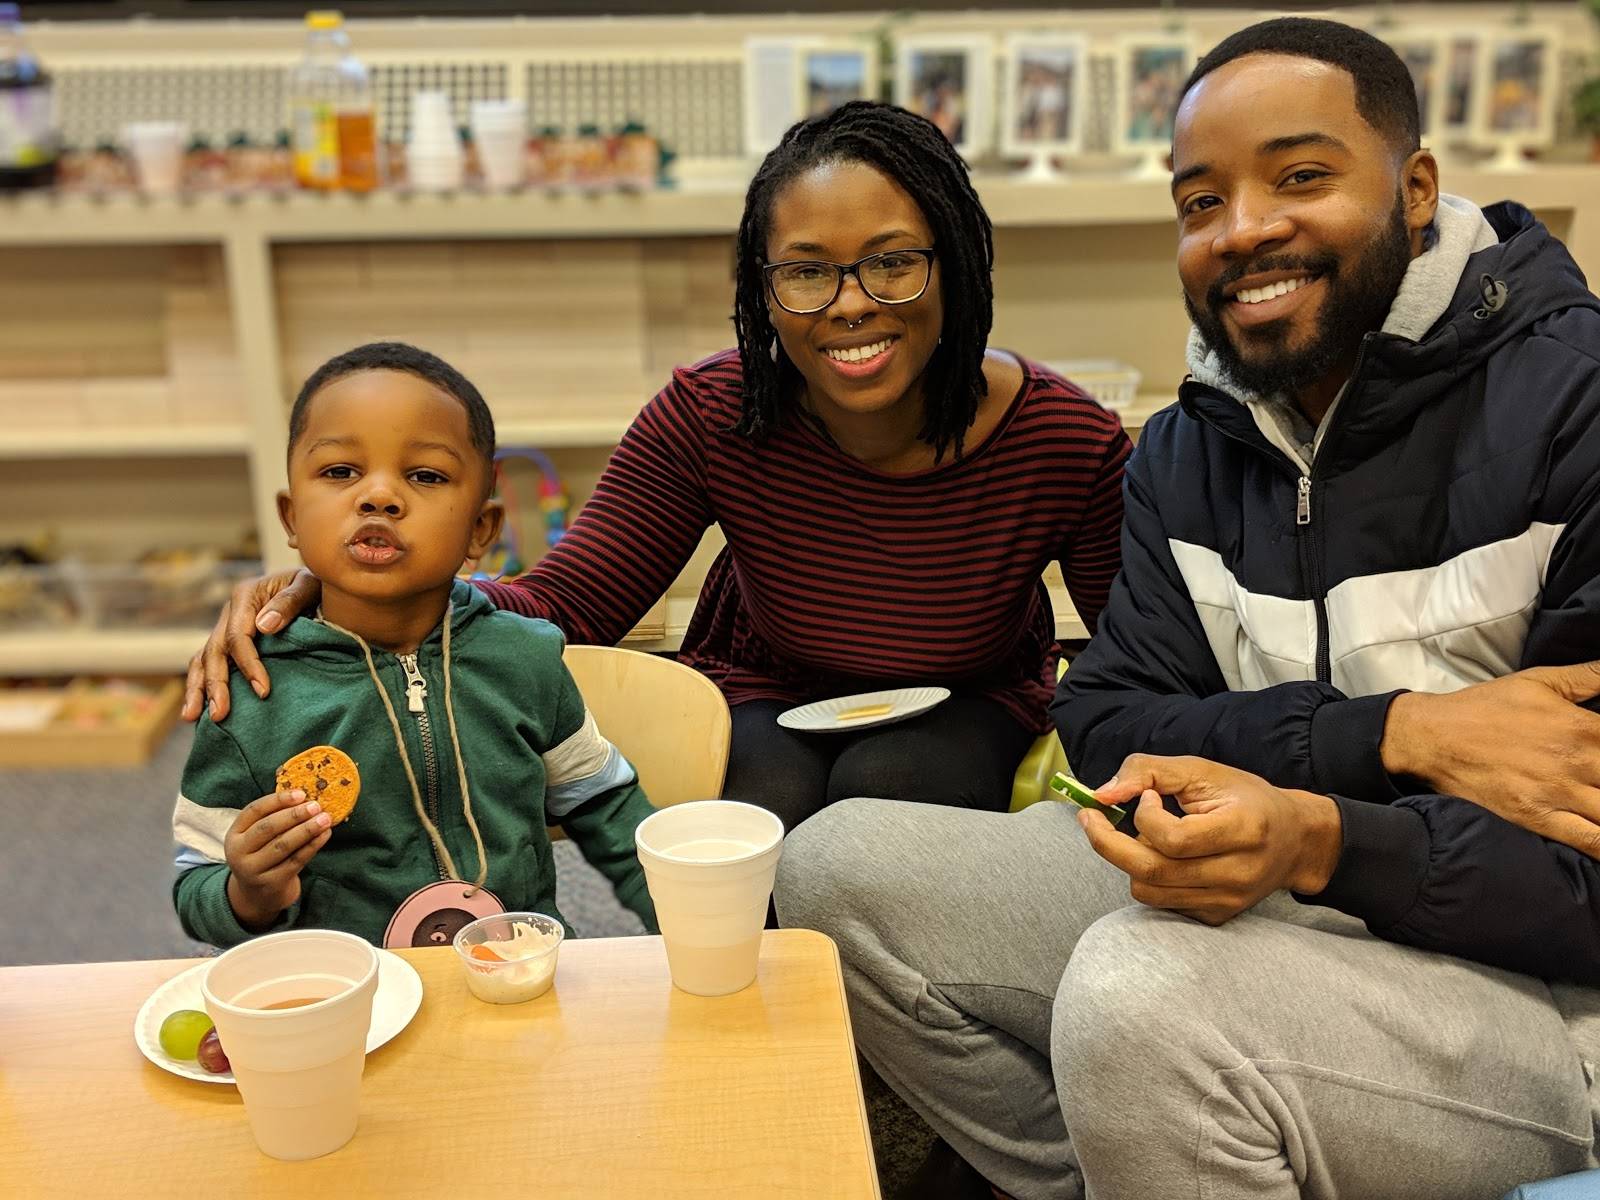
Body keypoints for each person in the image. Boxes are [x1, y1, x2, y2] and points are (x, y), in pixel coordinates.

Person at [775, 18, 1600, 1200]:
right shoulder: (1187, 447)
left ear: (1415, 190)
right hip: (1275, 901)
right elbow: (1106, 716)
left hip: (1538, 998)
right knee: (834, 872)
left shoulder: (1574, 406)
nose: (1243, 229)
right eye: (1199, 199)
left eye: (1301, 177)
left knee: (1139, 997)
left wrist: (1321, 836)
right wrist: (1393, 736)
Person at [184, 101, 1132, 834]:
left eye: (892, 264)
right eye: (806, 271)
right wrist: (351, 587)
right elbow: (573, 603)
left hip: (967, 695)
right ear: (763, 291)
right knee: (754, 825)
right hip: (772, 682)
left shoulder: (1064, 440)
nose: (850, 304)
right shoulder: (713, 412)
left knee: (896, 797)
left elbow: (1135, 651)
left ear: (956, 266)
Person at [173, 342, 657, 949]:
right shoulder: (249, 690)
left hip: (519, 975)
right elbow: (197, 886)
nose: (379, 496)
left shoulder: (527, 660)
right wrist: (249, 893)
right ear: (292, 518)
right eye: (340, 472)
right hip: (352, 998)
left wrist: (689, 923)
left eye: (425, 475)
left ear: (480, 529)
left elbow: (606, 805)